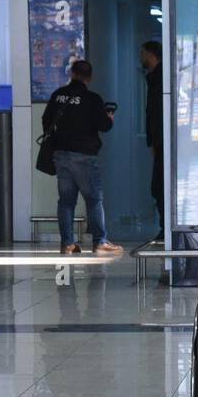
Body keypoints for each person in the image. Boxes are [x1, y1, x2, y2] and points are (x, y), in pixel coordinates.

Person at [41, 60, 122, 256]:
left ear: (72, 73)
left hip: (60, 154)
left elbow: (46, 120)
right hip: (84, 156)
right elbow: (104, 126)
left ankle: (68, 243)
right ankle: (99, 242)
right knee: (94, 200)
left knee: (66, 201)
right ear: (90, 77)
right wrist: (109, 118)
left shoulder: (58, 95)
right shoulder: (92, 99)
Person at [140, 40, 165, 241]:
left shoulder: (161, 78)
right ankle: (164, 227)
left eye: (143, 54)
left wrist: (156, 141)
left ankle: (166, 229)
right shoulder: (155, 78)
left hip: (163, 142)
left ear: (151, 55)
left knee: (160, 186)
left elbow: (157, 113)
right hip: (159, 141)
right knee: (158, 187)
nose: (141, 58)